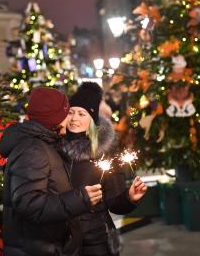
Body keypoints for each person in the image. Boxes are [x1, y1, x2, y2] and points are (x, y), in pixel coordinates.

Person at [0, 87, 103, 256]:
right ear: (54, 118)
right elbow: (30, 205)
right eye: (67, 113)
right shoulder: (33, 150)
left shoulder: (45, 144)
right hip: (38, 249)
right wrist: (80, 199)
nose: (70, 118)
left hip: (48, 246)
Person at [60, 82, 147, 256]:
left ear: (92, 119)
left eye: (81, 113)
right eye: (71, 112)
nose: (74, 118)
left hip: (95, 239)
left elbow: (114, 202)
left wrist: (129, 198)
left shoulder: (104, 153)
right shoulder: (54, 147)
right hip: (60, 238)